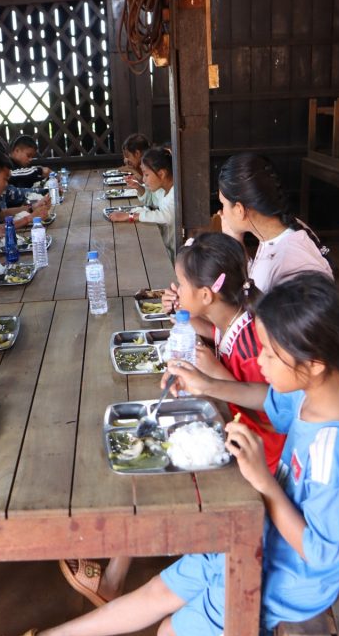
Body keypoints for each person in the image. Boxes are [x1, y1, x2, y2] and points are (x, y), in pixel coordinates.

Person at [0, 272, 339, 636]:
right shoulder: (317, 396)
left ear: (312, 364)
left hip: (293, 578)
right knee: (164, 586)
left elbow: (322, 553)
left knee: (173, 633)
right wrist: (206, 383)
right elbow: (270, 400)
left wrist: (265, 483)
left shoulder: (337, 455)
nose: (259, 362)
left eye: (269, 354)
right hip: (263, 538)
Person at [61, 232, 285, 608]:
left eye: (181, 283)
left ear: (206, 294)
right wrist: (183, 317)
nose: (175, 288)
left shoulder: (251, 342)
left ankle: (115, 577)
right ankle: (116, 572)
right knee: (156, 438)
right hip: (239, 430)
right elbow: (216, 332)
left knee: (159, 458)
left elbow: (272, 414)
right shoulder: (232, 319)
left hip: (261, 455)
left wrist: (213, 377)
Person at [217, 152, 333, 291]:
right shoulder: (279, 230)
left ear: (239, 210)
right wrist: (236, 242)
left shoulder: (291, 259)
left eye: (223, 204)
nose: (221, 212)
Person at [109, 147, 175, 262]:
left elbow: (166, 216)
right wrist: (139, 188)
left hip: (173, 256)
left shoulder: (175, 193)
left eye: (146, 175)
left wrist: (131, 216)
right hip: (163, 245)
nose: (143, 179)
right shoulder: (163, 189)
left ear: (161, 174)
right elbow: (152, 199)